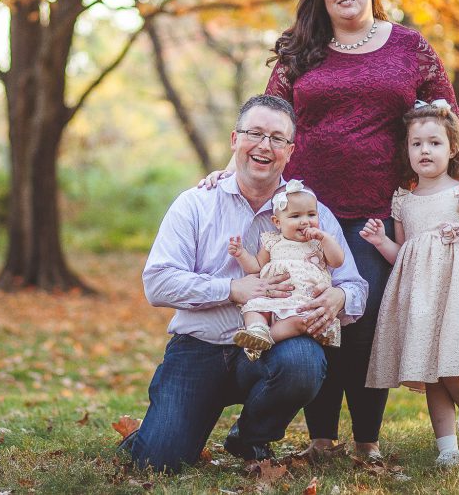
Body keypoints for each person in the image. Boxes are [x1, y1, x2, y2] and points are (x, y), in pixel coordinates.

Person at [201, 0, 459, 460]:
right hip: (306, 215)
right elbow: (268, 117)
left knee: (366, 325)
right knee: (315, 315)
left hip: (381, 212)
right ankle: (320, 441)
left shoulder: (408, 46)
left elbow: (454, 120)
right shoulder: (301, 50)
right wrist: (226, 175)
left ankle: (367, 443)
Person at [121, 95, 368, 473]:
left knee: (303, 362)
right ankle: (156, 433)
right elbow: (158, 282)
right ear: (235, 139)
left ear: (290, 150)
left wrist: (338, 296)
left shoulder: (310, 211)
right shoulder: (195, 204)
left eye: (277, 138)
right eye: (255, 133)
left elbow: (356, 286)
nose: (264, 146)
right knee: (159, 461)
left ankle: (250, 437)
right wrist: (233, 290)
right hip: (199, 349)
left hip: (275, 348)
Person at [360, 101, 459, 467]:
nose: (425, 150)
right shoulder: (403, 200)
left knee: (454, 369)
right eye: (416, 143)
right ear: (406, 150)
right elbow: (405, 254)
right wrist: (381, 243)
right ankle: (447, 448)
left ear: (453, 148)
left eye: (434, 143)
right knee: (432, 374)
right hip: (421, 300)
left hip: (457, 296)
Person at [228, 179, 344, 361]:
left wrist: (325, 239)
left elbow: (337, 261)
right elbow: (256, 266)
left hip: (303, 304)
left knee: (301, 322)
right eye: (295, 216)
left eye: (311, 214)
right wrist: (241, 254)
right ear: (277, 222)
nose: (305, 221)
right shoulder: (272, 241)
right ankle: (257, 331)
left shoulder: (318, 243)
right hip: (271, 300)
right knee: (253, 310)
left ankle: (265, 340)